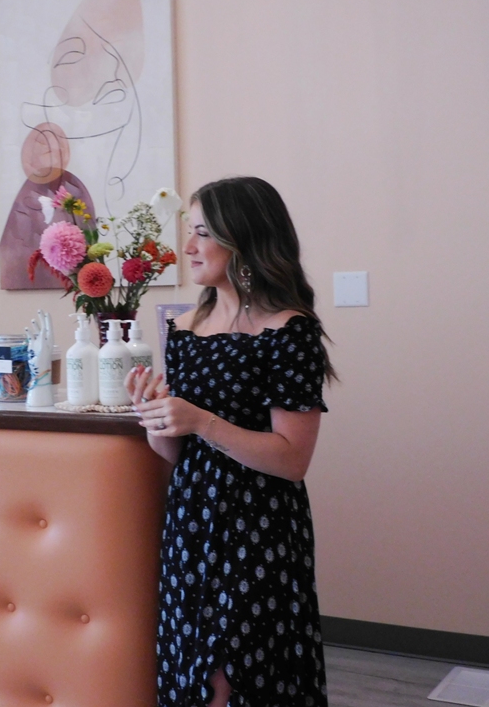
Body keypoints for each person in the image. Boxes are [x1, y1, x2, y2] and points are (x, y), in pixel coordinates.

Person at [125, 176, 336, 707]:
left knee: (235, 674)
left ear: (243, 239)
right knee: (191, 669)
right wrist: (155, 417)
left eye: (202, 233)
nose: (188, 247)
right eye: (189, 232)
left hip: (257, 528)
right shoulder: (185, 328)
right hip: (191, 522)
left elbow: (293, 459)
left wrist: (201, 421)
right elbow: (174, 453)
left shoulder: (289, 331)